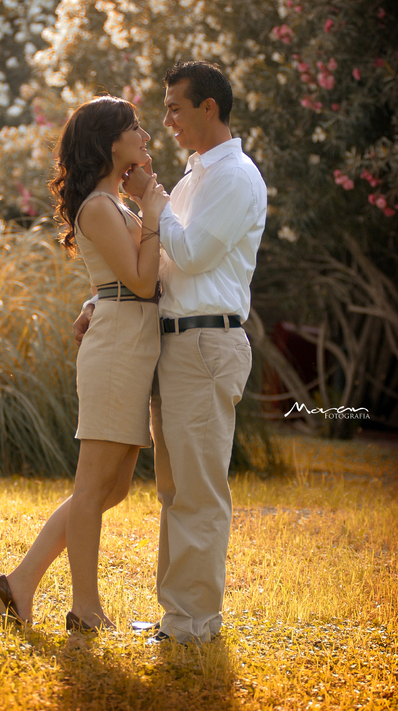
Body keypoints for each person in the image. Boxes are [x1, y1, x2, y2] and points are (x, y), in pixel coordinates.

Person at [74, 61, 267, 644]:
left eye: (176, 108)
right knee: (176, 489)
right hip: (176, 342)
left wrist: (152, 206)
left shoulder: (234, 177)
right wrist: (95, 299)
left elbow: (193, 254)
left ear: (210, 107)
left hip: (208, 341)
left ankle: (195, 624)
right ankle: (179, 619)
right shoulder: (188, 181)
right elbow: (153, 265)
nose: (167, 121)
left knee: (199, 489)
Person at [0, 96, 169, 632]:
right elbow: (137, 280)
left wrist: (146, 203)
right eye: (135, 127)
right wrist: (153, 213)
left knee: (113, 489)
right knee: (93, 489)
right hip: (116, 348)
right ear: (110, 141)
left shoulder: (117, 203)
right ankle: (85, 609)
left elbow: (134, 277)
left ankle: (16, 585)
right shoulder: (97, 205)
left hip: (131, 343)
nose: (146, 135)